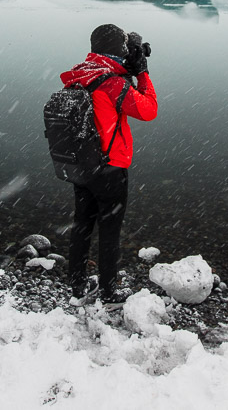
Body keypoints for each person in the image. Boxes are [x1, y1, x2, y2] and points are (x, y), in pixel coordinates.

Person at [58, 23, 158, 303]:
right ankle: (108, 292)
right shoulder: (112, 83)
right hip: (110, 169)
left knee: (82, 226)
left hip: (81, 166)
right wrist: (142, 72)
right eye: (125, 48)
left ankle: (77, 284)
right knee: (110, 233)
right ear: (118, 50)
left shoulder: (79, 77)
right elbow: (149, 110)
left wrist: (128, 68)